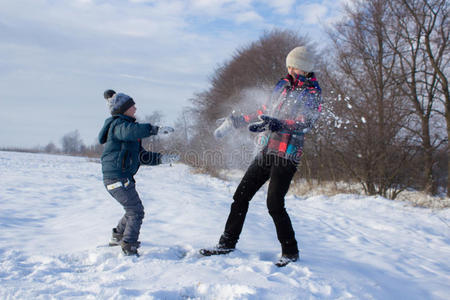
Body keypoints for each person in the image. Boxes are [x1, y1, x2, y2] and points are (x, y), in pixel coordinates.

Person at [200, 46, 323, 267]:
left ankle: (290, 252)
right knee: (241, 195)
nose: (291, 69)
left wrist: (279, 123)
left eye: (294, 66)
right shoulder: (282, 85)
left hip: (288, 153)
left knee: (274, 203)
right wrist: (241, 121)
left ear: (304, 68)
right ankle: (227, 243)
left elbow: (306, 123)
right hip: (268, 149)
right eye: (290, 65)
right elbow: (265, 111)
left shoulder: (312, 92)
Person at [99, 90, 176, 256]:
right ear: (123, 109)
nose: (135, 108)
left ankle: (118, 236)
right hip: (116, 177)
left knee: (132, 209)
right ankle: (129, 246)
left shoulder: (126, 129)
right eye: (131, 106)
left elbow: (141, 156)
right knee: (136, 211)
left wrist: (163, 159)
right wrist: (154, 130)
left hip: (121, 177)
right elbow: (131, 131)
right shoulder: (119, 125)